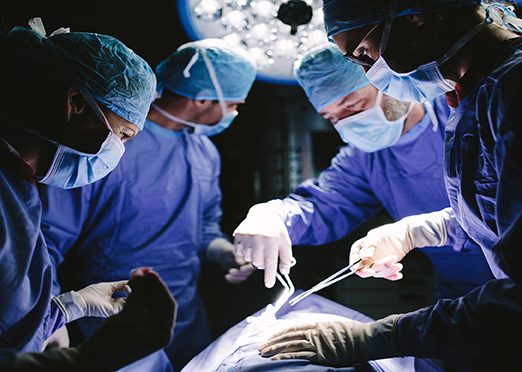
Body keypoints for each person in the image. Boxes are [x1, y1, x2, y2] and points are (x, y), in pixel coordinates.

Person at [259, 1, 522, 370]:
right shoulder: (473, 97)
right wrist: (417, 231)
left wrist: (379, 337)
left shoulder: (510, 93)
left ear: (413, 16)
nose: (372, 73)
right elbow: (496, 211)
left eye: (365, 53)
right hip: (469, 317)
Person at [39, 38, 258, 371]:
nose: (234, 113)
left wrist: (221, 251)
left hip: (186, 318)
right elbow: (48, 239)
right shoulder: (105, 145)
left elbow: (203, 226)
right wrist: (52, 316)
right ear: (202, 98)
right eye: (233, 104)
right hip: (111, 318)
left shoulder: (204, 153)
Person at [233, 44, 494, 302]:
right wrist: (273, 216)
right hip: (461, 296)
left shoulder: (470, 114)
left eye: (353, 105)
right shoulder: (366, 158)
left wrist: (417, 232)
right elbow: (323, 205)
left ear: (390, 81)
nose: (347, 122)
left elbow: (505, 205)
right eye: (332, 117)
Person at [0, 20, 175, 370]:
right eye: (122, 134)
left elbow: (9, 320)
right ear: (76, 103)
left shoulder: (19, 185)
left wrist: (67, 308)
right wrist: (85, 361)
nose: (119, 151)